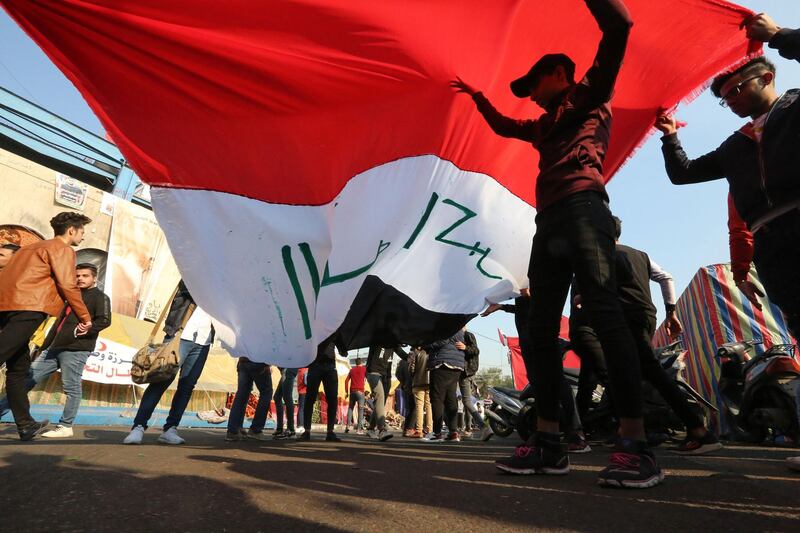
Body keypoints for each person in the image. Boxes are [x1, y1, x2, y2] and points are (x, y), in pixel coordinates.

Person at [453, 0, 659, 488]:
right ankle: (549, 444)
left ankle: (637, 447)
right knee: (539, 332)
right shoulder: (543, 126)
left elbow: (620, 26)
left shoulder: (590, 93)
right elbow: (505, 125)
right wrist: (478, 98)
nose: (530, 96)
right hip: (549, 225)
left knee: (608, 320)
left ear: (558, 73)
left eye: (533, 85)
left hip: (586, 212)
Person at [655, 13, 800, 340]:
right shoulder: (734, 146)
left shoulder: (795, 108)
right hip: (771, 250)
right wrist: (670, 137)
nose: (730, 101)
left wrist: (777, 36)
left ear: (765, 77)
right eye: (724, 99)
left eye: (735, 89)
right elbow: (683, 173)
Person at [572, 217, 722, 454]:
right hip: (645, 316)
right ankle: (629, 431)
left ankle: (698, 431)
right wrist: (671, 311)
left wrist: (583, 298)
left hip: (624, 318)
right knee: (634, 373)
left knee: (645, 373)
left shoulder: (600, 256)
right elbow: (666, 277)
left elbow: (595, 292)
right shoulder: (640, 254)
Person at [0, 212, 92, 441]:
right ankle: (25, 423)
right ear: (71, 230)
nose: (83, 235)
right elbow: (67, 284)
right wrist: (84, 317)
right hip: (29, 308)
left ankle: (25, 424)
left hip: (8, 306)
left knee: (18, 370)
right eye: (82, 231)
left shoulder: (30, 249)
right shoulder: (64, 250)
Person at [0, 263, 111, 437]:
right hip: (53, 348)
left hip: (76, 348)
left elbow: (104, 320)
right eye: (77, 275)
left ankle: (66, 426)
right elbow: (58, 323)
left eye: (85, 275)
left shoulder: (99, 297)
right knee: (25, 381)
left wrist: (86, 329)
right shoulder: (70, 295)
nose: (80, 278)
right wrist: (45, 346)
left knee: (71, 387)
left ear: (95, 278)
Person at [123, 281, 214, 445]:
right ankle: (138, 427)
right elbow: (185, 293)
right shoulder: (192, 275)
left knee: (187, 386)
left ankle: (171, 428)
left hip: (204, 341)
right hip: (179, 336)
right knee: (161, 381)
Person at [423, 330, 467, 443]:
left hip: (442, 363)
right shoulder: (460, 327)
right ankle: (453, 432)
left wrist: (425, 344)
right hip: (456, 365)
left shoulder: (446, 323)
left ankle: (437, 433)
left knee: (437, 398)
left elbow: (441, 341)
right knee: (450, 398)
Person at [299, 336, 341, 442]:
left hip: (326, 366)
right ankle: (308, 431)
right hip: (317, 366)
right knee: (311, 398)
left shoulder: (335, 328)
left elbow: (343, 349)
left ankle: (328, 432)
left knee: (331, 399)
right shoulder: (315, 327)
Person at [226, 357, 273, 441]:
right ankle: (256, 430)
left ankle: (233, 431)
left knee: (241, 394)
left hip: (243, 361)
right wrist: (267, 363)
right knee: (266, 392)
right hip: (259, 361)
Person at [459, 329, 493, 441]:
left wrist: (465, 348)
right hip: (466, 372)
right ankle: (468, 429)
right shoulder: (463, 335)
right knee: (466, 401)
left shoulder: (467, 335)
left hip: (466, 372)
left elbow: (476, 350)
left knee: (466, 401)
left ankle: (483, 427)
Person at [365, 345, 403, 442]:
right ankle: (382, 429)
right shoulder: (377, 335)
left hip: (387, 375)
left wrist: (409, 357)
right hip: (373, 372)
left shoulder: (393, 340)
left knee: (380, 403)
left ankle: (370, 429)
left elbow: (400, 351)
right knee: (380, 397)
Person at [408, 347, 432, 438]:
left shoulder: (416, 353)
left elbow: (411, 370)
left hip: (418, 383)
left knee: (419, 406)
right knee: (429, 406)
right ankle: (430, 429)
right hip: (430, 383)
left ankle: (419, 430)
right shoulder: (431, 352)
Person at [272, 367, 297, 439]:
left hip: (288, 370)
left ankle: (291, 430)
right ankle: (280, 428)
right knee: (277, 397)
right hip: (286, 370)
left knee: (287, 398)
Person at [344, 357, 367, 434]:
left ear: (356, 363)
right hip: (360, 392)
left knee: (350, 408)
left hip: (352, 392)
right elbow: (367, 379)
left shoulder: (352, 370)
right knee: (360, 410)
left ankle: (347, 426)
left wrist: (347, 392)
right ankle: (359, 429)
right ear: (361, 363)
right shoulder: (364, 369)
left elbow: (346, 381)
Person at [296, 366, 307, 433]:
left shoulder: (299, 371)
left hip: (301, 391)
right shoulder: (306, 370)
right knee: (303, 409)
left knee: (301, 409)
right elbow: (306, 382)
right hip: (305, 391)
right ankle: (301, 426)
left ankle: (300, 425)